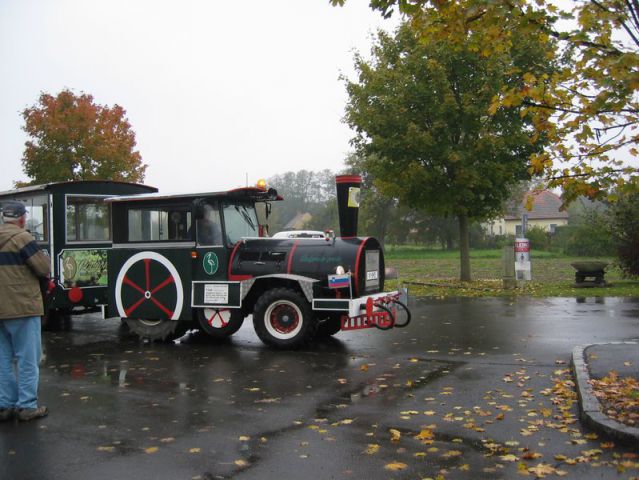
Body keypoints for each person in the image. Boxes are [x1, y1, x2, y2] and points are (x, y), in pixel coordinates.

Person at [0, 201, 50, 422]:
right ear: (21, 218)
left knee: (2, 359)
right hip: (22, 307)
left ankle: (5, 404)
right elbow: (44, 268)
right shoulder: (23, 239)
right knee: (27, 358)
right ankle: (27, 405)